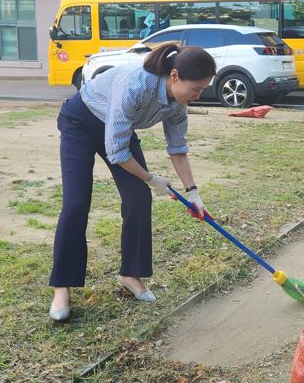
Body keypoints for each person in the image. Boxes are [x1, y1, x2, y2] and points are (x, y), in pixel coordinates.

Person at [48, 42, 216, 322]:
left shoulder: (177, 104)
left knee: (138, 197)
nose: (198, 95)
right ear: (174, 77)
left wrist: (193, 192)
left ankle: (131, 274)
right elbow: (117, 153)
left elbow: (177, 148)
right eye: (195, 89)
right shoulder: (136, 85)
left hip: (118, 126)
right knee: (77, 203)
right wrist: (151, 179)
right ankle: (61, 287)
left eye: (202, 89)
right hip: (81, 121)